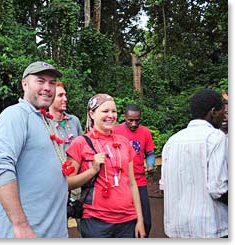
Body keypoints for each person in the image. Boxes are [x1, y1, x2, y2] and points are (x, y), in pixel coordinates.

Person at [0, 61, 68, 238]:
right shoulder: (14, 115)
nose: (47, 88)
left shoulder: (45, 119)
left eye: (52, 82)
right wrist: (20, 225)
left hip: (54, 231)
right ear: (25, 84)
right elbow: (0, 167)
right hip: (28, 233)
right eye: (40, 81)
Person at [65, 93, 146, 238]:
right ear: (92, 114)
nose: (111, 115)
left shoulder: (124, 142)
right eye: (105, 111)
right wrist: (93, 170)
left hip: (127, 221)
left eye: (113, 111)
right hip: (96, 221)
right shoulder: (80, 142)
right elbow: (66, 183)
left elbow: (132, 183)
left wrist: (140, 219)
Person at [159, 88, 228, 238]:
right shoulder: (215, 138)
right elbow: (218, 189)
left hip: (176, 229)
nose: (224, 115)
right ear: (213, 112)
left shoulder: (172, 142)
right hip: (209, 228)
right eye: (223, 111)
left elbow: (164, 188)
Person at [113, 104, 155, 237]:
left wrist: (150, 164)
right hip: (121, 181)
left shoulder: (145, 132)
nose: (134, 123)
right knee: (125, 220)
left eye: (137, 120)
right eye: (130, 120)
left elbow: (150, 153)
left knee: (146, 221)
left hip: (139, 181)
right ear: (124, 117)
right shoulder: (115, 130)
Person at [48, 81, 83, 232]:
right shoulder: (44, 122)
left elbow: (83, 147)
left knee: (85, 225)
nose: (65, 99)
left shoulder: (73, 121)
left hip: (78, 184)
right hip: (55, 186)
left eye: (65, 95)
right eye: (61, 95)